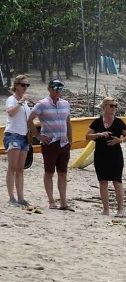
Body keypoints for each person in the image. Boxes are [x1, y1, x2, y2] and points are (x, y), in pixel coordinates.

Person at [27, 79, 74, 211]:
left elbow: (68, 123)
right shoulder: (42, 104)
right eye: (55, 87)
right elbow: (30, 120)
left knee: (63, 173)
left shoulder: (65, 104)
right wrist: (38, 136)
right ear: (49, 88)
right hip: (49, 143)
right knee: (49, 172)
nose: (57, 90)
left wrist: (70, 140)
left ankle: (63, 202)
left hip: (63, 143)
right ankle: (51, 201)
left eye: (60, 87)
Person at [85, 97, 126, 217]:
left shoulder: (119, 122)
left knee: (117, 181)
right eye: (111, 106)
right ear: (104, 106)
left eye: (115, 106)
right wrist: (98, 134)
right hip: (100, 154)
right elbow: (87, 136)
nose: (114, 108)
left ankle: (120, 210)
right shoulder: (98, 122)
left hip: (115, 155)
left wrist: (119, 140)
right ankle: (106, 209)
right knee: (102, 181)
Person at [3, 75, 32, 206]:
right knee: (12, 167)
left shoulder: (25, 102)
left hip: (23, 136)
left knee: (20, 168)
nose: (25, 87)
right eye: (23, 85)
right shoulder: (12, 99)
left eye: (27, 85)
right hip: (13, 134)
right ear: (16, 85)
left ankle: (21, 197)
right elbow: (10, 113)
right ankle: (11, 197)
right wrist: (20, 102)